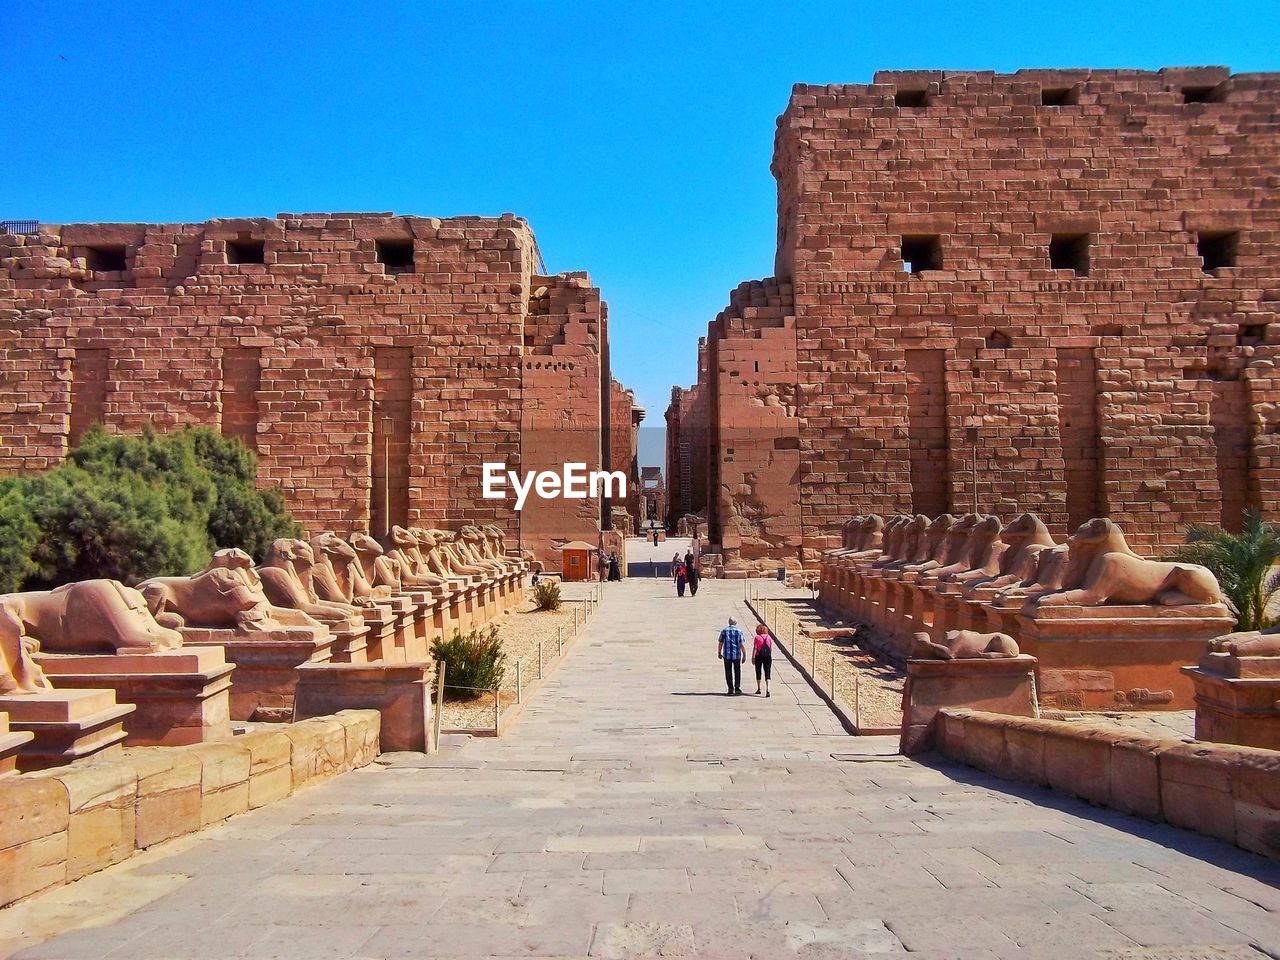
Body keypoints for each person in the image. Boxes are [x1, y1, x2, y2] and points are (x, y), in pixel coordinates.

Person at [718, 616, 745, 695]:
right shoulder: (739, 631)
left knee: (728, 671)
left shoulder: (724, 631)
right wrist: (744, 655)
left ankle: (730, 688)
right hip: (737, 655)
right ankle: (737, 688)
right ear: (735, 623)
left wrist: (719, 652)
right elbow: (741, 644)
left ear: (729, 622)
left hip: (727, 655)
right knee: (737, 671)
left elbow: (720, 643)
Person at [752, 622, 773, 697]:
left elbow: (755, 648)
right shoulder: (769, 637)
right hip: (767, 656)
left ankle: (759, 688)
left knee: (758, 671)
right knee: (767, 672)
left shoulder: (757, 637)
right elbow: (770, 648)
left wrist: (753, 657)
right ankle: (768, 689)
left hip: (758, 656)